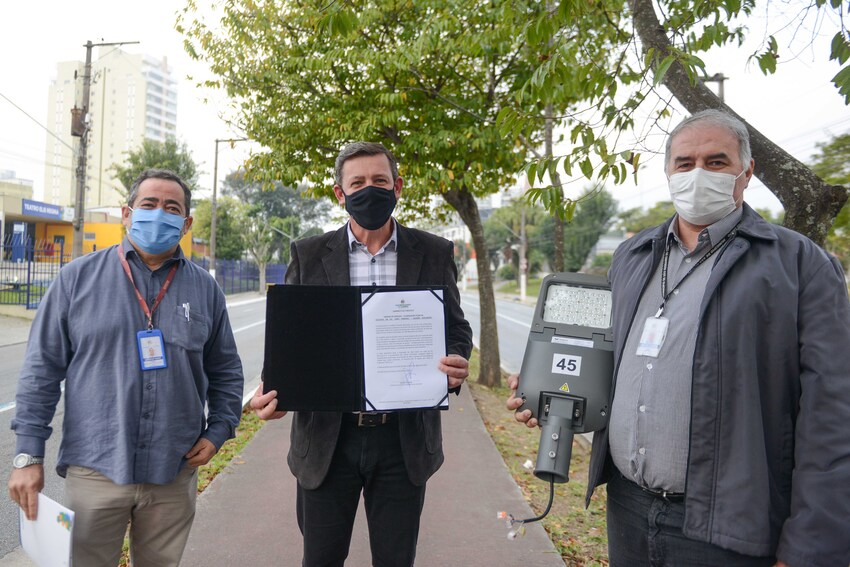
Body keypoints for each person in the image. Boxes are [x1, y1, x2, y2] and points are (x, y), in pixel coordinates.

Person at [507, 110, 850, 566]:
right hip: (627, 508)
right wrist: (550, 395)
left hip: (727, 525)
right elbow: (609, 365)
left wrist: (809, 548)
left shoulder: (799, 264)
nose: (698, 174)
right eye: (685, 163)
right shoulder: (633, 254)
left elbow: (832, 418)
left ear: (746, 173)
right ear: (668, 172)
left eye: (716, 162)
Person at [251, 141, 473, 567]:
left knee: (395, 559)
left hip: (403, 440)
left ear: (398, 186)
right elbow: (290, 333)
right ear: (340, 193)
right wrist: (277, 389)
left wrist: (456, 359)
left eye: (379, 181)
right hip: (326, 441)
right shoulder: (309, 253)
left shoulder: (434, 251)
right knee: (320, 558)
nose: (369, 190)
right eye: (357, 183)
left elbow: (456, 328)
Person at [8, 169, 244, 567]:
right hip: (97, 468)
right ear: (127, 213)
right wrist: (28, 457)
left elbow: (226, 371)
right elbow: (40, 373)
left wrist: (220, 428)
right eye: (149, 204)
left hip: (175, 469)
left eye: (172, 208)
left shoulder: (205, 289)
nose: (160, 213)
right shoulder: (75, 280)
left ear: (186, 224)